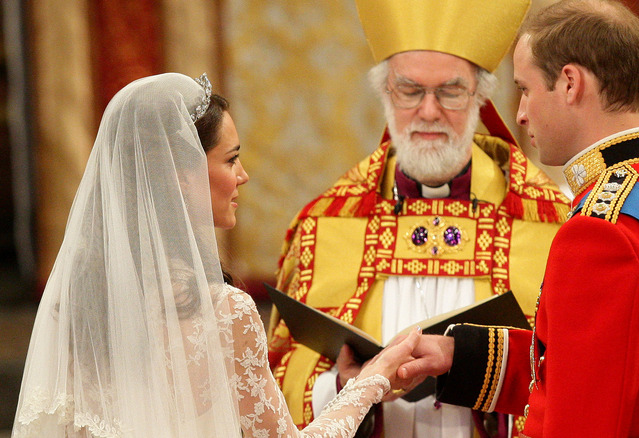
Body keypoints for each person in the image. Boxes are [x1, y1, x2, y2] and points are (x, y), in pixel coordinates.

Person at [11, 72, 420, 438]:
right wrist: (373, 379)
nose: (243, 175)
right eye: (231, 159)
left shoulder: (75, 306)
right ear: (181, 175)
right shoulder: (225, 315)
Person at [397, 1, 639, 437]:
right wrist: (458, 355)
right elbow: (590, 369)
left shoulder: (601, 234)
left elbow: (580, 420)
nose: (519, 113)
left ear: (570, 83)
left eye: (525, 89)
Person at [267, 0, 569, 436]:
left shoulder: (547, 224)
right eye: (410, 90)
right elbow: (276, 377)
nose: (429, 112)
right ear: (387, 93)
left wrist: (484, 379)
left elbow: (574, 375)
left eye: (449, 91)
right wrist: (344, 388)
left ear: (479, 97)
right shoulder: (326, 223)